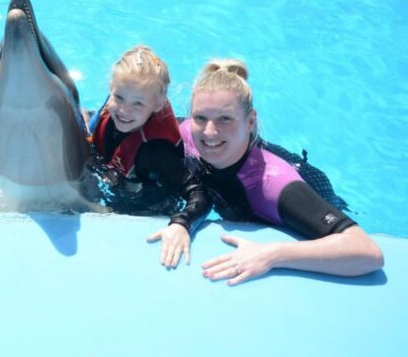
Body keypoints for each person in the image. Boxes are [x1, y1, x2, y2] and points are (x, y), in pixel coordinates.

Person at [180, 59, 384, 285]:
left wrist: (273, 255)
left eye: (225, 119)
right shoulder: (188, 133)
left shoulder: (272, 183)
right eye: (200, 117)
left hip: (308, 186)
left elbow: (367, 252)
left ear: (250, 121)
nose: (209, 132)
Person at [88, 46, 210, 268]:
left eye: (138, 104)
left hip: (143, 205)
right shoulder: (114, 105)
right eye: (119, 97)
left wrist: (181, 224)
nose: (124, 110)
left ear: (158, 104)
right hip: (113, 176)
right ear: (111, 89)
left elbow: (200, 194)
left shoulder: (156, 151)